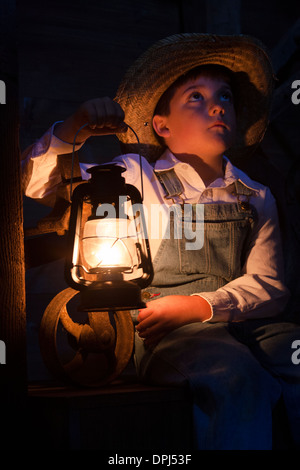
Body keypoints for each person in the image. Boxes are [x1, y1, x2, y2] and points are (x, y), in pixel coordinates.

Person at [22, 33, 300, 450]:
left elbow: (270, 285)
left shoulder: (255, 195)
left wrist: (202, 304)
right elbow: (37, 183)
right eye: (196, 97)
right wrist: (74, 127)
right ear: (161, 125)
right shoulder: (134, 176)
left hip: (244, 323)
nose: (217, 104)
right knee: (235, 377)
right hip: (161, 330)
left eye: (224, 95)